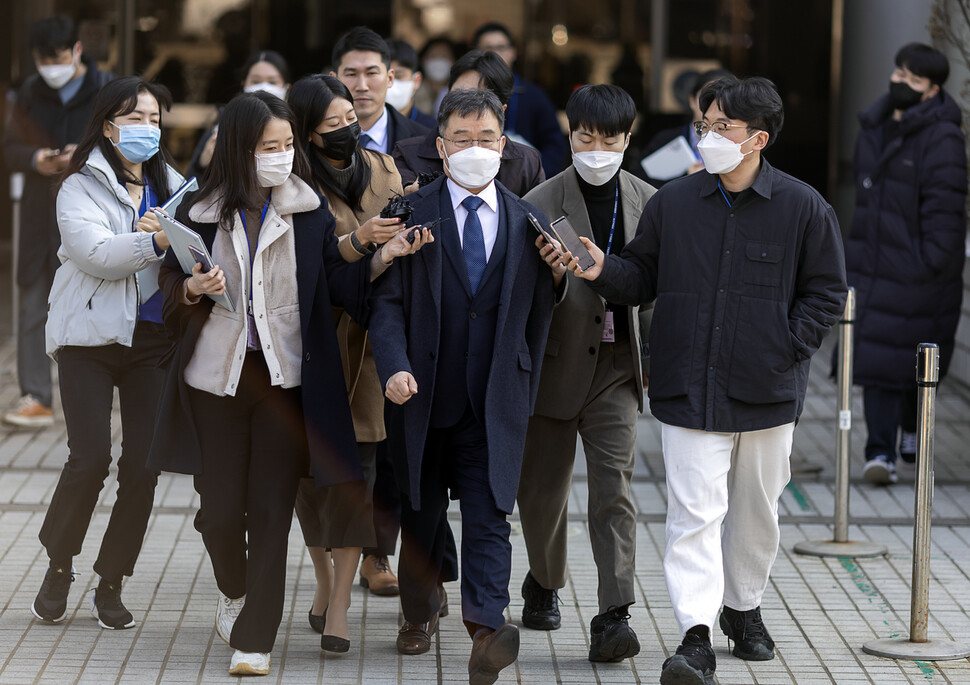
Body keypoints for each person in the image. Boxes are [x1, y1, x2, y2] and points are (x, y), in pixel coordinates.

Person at [564, 76, 847, 685]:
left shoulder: (803, 208)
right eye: (704, 126)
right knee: (692, 514)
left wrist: (787, 346)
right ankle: (694, 636)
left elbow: (825, 292)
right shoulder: (674, 203)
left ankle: (742, 609)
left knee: (756, 511)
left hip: (767, 390)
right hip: (687, 386)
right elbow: (641, 276)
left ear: (758, 140)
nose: (708, 137)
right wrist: (601, 269)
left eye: (723, 128)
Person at [146, 90, 424, 676]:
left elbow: (334, 284)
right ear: (237, 150)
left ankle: (255, 638)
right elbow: (169, 283)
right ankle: (235, 590)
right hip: (214, 382)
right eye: (267, 146)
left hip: (283, 382)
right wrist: (192, 289)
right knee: (219, 512)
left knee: (270, 509)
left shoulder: (307, 209)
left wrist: (380, 257)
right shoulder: (197, 207)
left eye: (287, 144)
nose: (280, 155)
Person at [368, 87, 562, 685]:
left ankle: (485, 628)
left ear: (503, 147)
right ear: (442, 148)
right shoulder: (411, 211)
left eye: (486, 140)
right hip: (420, 395)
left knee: (488, 517)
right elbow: (387, 304)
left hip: (493, 399)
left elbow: (537, 312)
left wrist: (556, 280)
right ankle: (418, 614)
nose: (474, 149)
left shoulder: (529, 220)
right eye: (461, 140)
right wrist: (394, 365)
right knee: (421, 514)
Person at [32, 76, 181, 630]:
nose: (146, 127)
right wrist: (155, 241)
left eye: (153, 118)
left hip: (152, 341)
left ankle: (112, 578)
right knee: (89, 457)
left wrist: (177, 242)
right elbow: (94, 253)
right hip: (88, 339)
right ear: (107, 124)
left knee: (142, 469)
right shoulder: (78, 187)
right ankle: (58, 564)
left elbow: (196, 249)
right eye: (133, 117)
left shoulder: (175, 185)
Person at [516, 84, 655, 662]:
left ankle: (613, 613)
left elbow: (655, 289)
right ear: (569, 134)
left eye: (609, 139)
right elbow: (518, 296)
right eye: (584, 137)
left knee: (613, 490)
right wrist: (550, 280)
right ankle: (545, 581)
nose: (596, 149)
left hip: (618, 367)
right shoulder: (538, 200)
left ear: (629, 139)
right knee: (543, 492)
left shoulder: (649, 200)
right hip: (553, 364)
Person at [286, 73, 420, 652]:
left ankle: (339, 603)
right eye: (331, 124)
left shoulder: (385, 169)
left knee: (353, 480)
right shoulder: (290, 184)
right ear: (306, 133)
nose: (346, 131)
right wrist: (365, 243)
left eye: (350, 119)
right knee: (305, 482)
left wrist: (398, 246)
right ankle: (322, 581)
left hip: (366, 350)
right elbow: (304, 269)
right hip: (309, 347)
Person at [845, 43, 967, 486]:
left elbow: (946, 210)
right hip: (873, 264)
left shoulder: (942, 137)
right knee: (878, 360)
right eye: (899, 72)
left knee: (912, 359)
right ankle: (880, 452)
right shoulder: (875, 124)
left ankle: (912, 435)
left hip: (916, 273)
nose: (900, 82)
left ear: (932, 91)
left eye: (913, 80)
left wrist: (926, 263)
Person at [3, 15, 112, 428]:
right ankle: (37, 396)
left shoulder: (105, 89)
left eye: (60, 57)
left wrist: (79, 159)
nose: (52, 66)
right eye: (44, 59)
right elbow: (9, 147)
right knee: (32, 304)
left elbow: (125, 146)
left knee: (92, 307)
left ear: (78, 51)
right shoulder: (31, 92)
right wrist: (37, 160)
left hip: (91, 214)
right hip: (37, 215)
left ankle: (96, 399)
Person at [393, 50, 545, 196]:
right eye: (459, 96)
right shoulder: (408, 154)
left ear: (502, 110)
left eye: (482, 99)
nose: (468, 106)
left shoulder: (526, 164)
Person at [473, 22, 566, 177]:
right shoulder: (467, 92)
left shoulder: (534, 95)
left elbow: (554, 144)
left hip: (525, 183)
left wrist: (539, 176)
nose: (495, 54)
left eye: (501, 48)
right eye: (488, 49)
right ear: (476, 53)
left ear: (513, 52)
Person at [186, 49, 291, 181]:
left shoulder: (295, 125)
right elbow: (191, 184)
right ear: (243, 85)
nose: (264, 87)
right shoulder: (223, 126)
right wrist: (202, 165)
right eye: (256, 81)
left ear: (286, 88)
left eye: (272, 82)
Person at [331, 26, 429, 157]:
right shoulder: (314, 139)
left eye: (371, 73)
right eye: (351, 74)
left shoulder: (424, 141)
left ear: (390, 78)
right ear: (334, 80)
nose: (362, 86)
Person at [632, 68, 733, 187]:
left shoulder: (738, 142)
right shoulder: (665, 140)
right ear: (692, 100)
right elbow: (637, 184)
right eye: (707, 98)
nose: (714, 106)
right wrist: (685, 178)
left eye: (723, 100)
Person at [385, 38, 437, 129]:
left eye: (399, 76)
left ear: (416, 80)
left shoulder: (432, 129)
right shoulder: (361, 127)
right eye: (387, 77)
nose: (391, 83)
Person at [414, 36, 458, 116]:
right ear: (422, 60)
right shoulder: (412, 92)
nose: (438, 61)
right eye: (433, 56)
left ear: (454, 61)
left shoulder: (460, 93)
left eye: (444, 56)